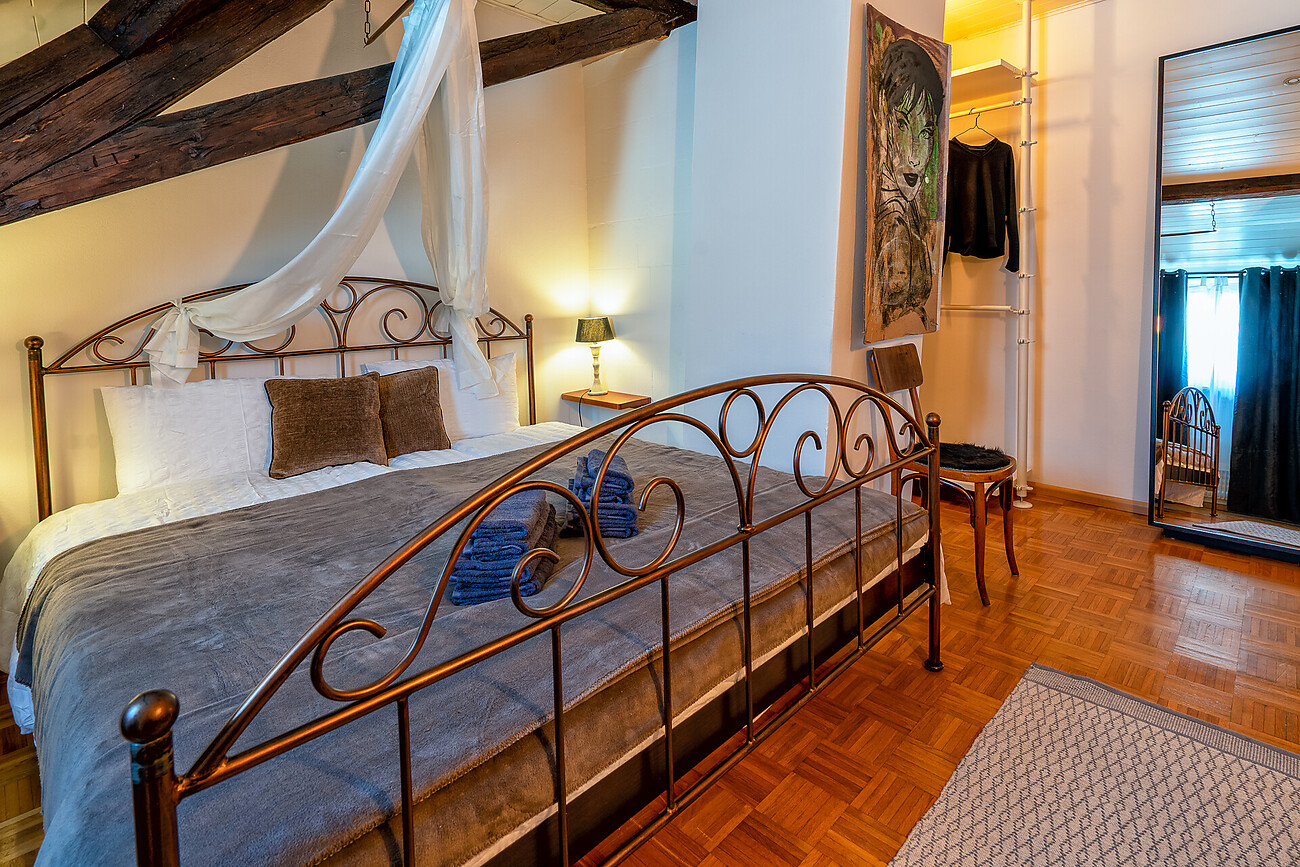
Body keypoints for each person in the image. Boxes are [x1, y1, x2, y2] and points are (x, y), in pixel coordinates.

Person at [871, 36, 944, 331]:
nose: (915, 154)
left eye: (926, 133)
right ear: (883, 119)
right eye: (903, 125)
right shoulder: (887, 225)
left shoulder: (918, 221)